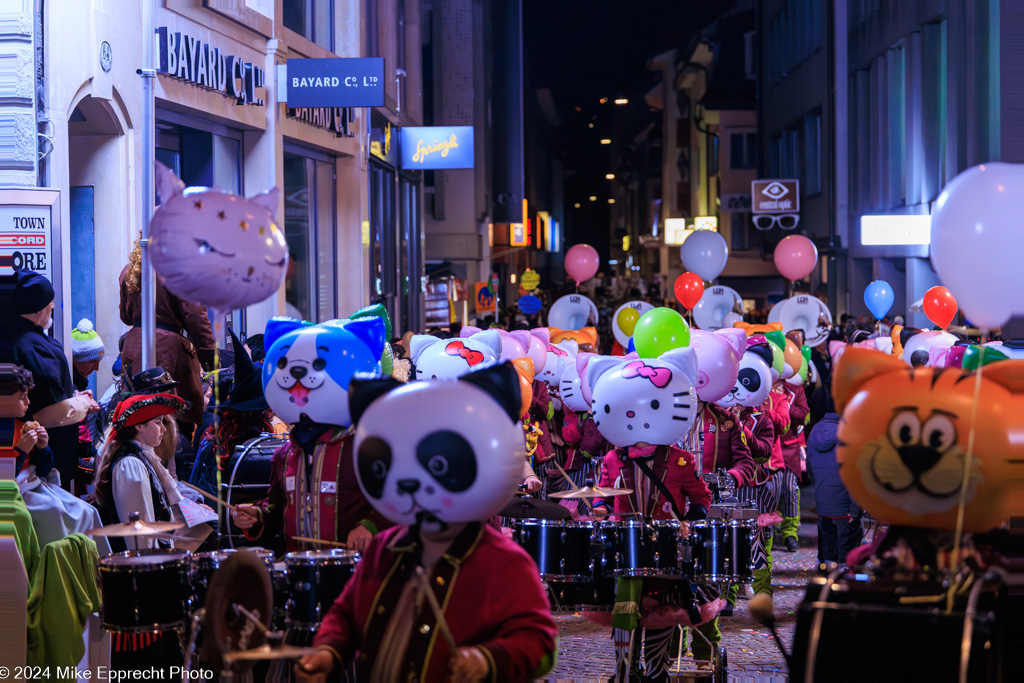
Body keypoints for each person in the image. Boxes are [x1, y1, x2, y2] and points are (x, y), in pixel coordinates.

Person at [296, 364, 557, 681]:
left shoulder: (504, 563)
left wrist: (488, 660)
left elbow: (541, 646)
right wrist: (329, 650)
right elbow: (346, 615)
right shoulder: (384, 549)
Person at [11, 269, 100, 490]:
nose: (53, 307)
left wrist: (74, 395)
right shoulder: (30, 346)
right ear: (40, 306)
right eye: (50, 302)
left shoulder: (23, 337)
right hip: (39, 454)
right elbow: (47, 411)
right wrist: (83, 404)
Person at [119, 235, 216, 429]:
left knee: (137, 416)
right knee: (172, 422)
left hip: (134, 348)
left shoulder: (129, 271)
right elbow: (196, 318)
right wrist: (211, 358)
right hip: (168, 352)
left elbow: (125, 317)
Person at [93, 393, 191, 545]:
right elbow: (140, 535)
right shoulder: (131, 465)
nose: (164, 429)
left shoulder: (141, 457)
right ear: (139, 426)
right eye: (158, 422)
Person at [806, 386, 862, 564]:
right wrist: (856, 509)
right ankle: (843, 587)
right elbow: (854, 476)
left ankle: (825, 585)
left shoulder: (815, 430)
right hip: (845, 507)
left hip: (824, 505)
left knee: (827, 554)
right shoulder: (850, 433)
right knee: (848, 555)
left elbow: (810, 470)